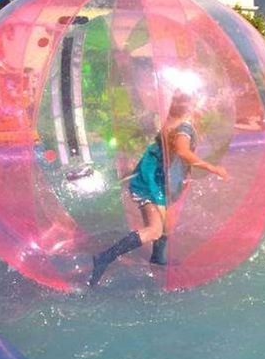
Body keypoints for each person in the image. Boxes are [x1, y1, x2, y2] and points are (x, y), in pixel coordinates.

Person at [88, 97, 228, 287]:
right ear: (195, 110)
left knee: (167, 225)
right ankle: (104, 257)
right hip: (150, 182)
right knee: (155, 230)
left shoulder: (176, 123)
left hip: (158, 180)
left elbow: (174, 156)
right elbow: (183, 151)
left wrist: (183, 176)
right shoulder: (184, 128)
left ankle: (157, 263)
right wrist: (213, 168)